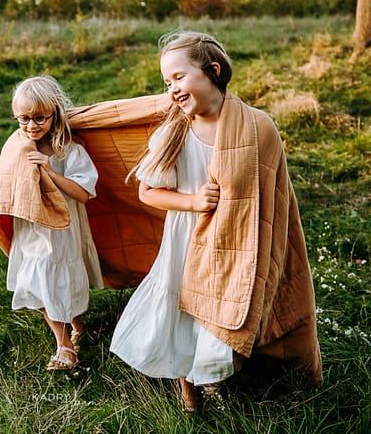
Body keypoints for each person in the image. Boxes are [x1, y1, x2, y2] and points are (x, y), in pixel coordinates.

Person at [107, 31, 322, 413]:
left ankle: (212, 376)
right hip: (187, 241)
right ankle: (187, 386)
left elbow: (275, 196)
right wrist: (192, 201)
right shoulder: (173, 134)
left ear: (213, 71)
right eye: (166, 82)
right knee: (183, 315)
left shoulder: (258, 128)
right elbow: (148, 192)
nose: (172, 88)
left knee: (223, 313)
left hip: (238, 239)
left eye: (178, 77)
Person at [0, 76, 104, 371]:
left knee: (62, 283)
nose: (31, 126)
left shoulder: (69, 151)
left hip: (62, 230)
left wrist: (50, 172)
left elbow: (83, 194)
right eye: (23, 119)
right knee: (38, 282)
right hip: (32, 228)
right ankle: (64, 345)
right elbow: (6, 182)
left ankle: (77, 326)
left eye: (40, 118)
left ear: (55, 114)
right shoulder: (17, 147)